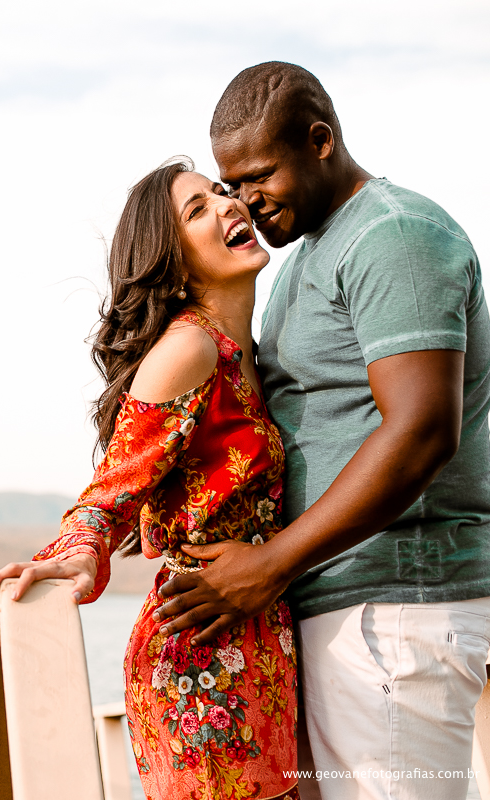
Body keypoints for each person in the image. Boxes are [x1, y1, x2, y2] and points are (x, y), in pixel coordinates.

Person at [153, 62, 490, 800]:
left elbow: (422, 431)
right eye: (231, 183)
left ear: (320, 141)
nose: (245, 200)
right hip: (335, 607)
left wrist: (270, 564)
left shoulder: (394, 237)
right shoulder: (309, 254)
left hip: (394, 611)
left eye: (259, 175)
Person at [0, 158, 299, 800]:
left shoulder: (251, 352)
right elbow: (110, 491)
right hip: (200, 659)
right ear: (174, 265)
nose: (229, 204)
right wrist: (78, 555)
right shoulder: (190, 349)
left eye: (220, 192)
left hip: (260, 637)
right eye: (198, 210)